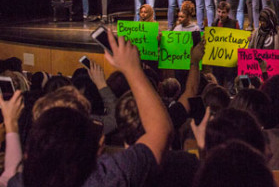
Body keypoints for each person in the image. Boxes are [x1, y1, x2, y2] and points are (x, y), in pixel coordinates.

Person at [9, 31, 173, 187]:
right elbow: (161, 131)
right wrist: (133, 69)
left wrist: (11, 127)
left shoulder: (18, 182)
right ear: (93, 147)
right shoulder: (108, 176)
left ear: (29, 152)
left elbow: (11, 171)